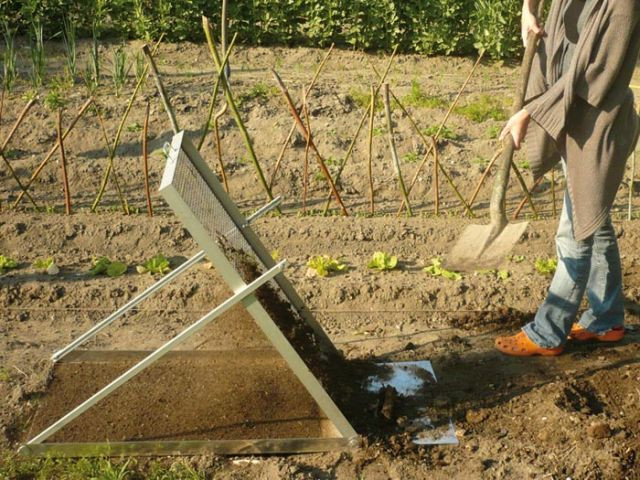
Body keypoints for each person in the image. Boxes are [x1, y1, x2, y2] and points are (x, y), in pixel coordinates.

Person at [495, 0, 640, 356]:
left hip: (596, 126)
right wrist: (528, 10)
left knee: (575, 231)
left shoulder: (624, 6)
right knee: (597, 220)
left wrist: (531, 110)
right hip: (571, 118)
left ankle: (547, 332)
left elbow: (596, 74)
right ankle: (606, 319)